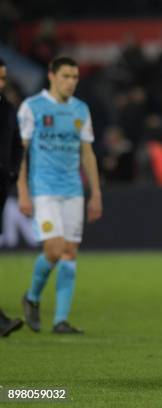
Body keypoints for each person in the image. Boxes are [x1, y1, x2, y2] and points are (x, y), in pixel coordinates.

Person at [17, 56, 103, 334]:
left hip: (73, 190)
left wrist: (95, 193)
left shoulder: (80, 109)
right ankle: (32, 296)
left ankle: (60, 321)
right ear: (52, 76)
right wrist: (22, 191)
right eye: (66, 76)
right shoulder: (32, 107)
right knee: (54, 249)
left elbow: (87, 153)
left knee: (69, 253)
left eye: (75, 77)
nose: (71, 82)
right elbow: (20, 152)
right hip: (43, 189)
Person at [0, 58, 24, 338]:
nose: (2, 83)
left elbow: (17, 144)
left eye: (4, 78)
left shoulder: (7, 109)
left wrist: (12, 172)